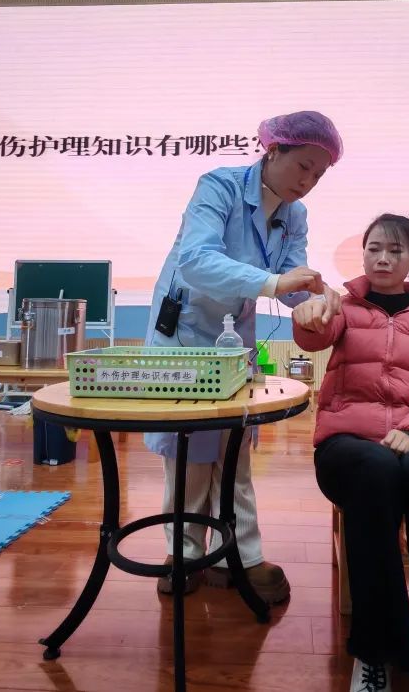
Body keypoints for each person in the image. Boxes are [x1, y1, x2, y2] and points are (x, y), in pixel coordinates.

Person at [144, 110, 344, 603]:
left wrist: (317, 298)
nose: (308, 182)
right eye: (303, 166)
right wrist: (275, 283)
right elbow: (196, 261)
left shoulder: (294, 215)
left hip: (234, 336)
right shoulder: (219, 186)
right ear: (272, 151)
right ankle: (183, 553)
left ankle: (239, 556)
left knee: (233, 451)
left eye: (319, 175)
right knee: (189, 452)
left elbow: (291, 279)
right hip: (186, 330)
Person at [291, 214, 409, 692]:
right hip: (347, 445)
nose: (383, 258)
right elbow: (315, 333)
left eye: (395, 251)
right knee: (375, 471)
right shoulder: (345, 308)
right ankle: (374, 651)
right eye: (374, 248)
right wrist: (306, 315)